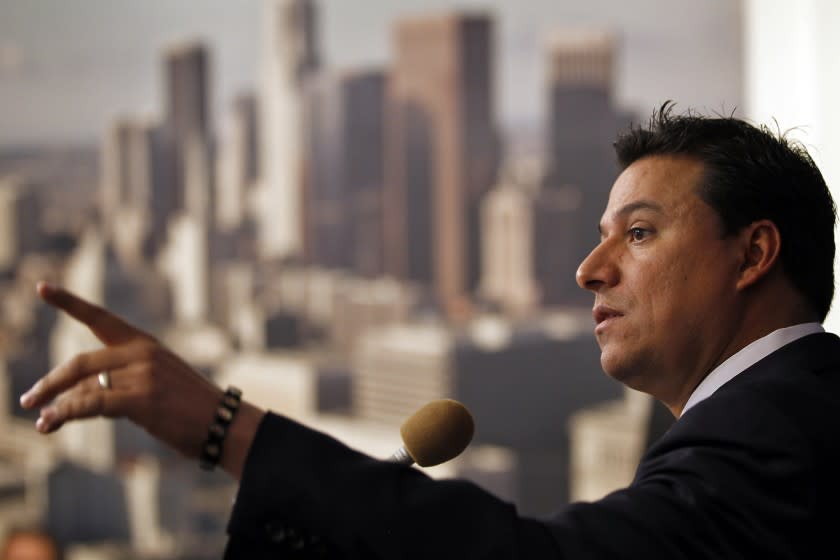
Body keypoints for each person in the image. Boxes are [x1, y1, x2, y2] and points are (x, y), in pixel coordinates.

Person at [19, 104, 840, 558]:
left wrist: (226, 427)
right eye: (599, 234)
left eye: (639, 232)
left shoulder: (781, 431)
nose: (589, 269)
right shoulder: (774, 420)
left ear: (754, 254)